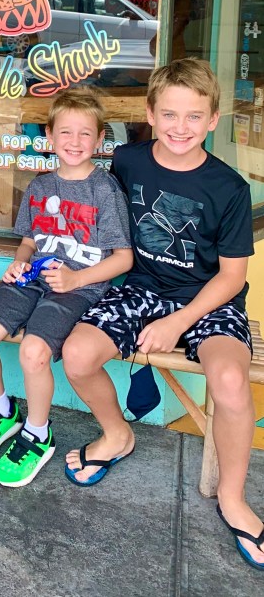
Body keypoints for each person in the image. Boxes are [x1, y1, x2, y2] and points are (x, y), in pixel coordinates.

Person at [62, 60, 263, 571]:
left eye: (194, 116)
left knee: (230, 381)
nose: (180, 127)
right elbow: (101, 219)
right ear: (150, 114)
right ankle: (117, 434)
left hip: (209, 301)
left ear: (213, 119)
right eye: (169, 114)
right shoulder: (127, 161)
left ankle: (233, 497)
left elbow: (231, 278)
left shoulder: (229, 188)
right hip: (142, 290)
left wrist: (178, 322)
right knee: (78, 354)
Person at [0, 89, 132, 487]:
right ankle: (1, 410)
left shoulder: (105, 190)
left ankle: (37, 433)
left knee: (34, 352)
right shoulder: (40, 187)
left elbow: (123, 259)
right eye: (65, 132)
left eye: (85, 133)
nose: (75, 141)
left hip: (80, 288)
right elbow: (29, 240)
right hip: (34, 278)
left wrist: (76, 279)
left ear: (100, 140)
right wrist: (18, 262)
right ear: (49, 136)